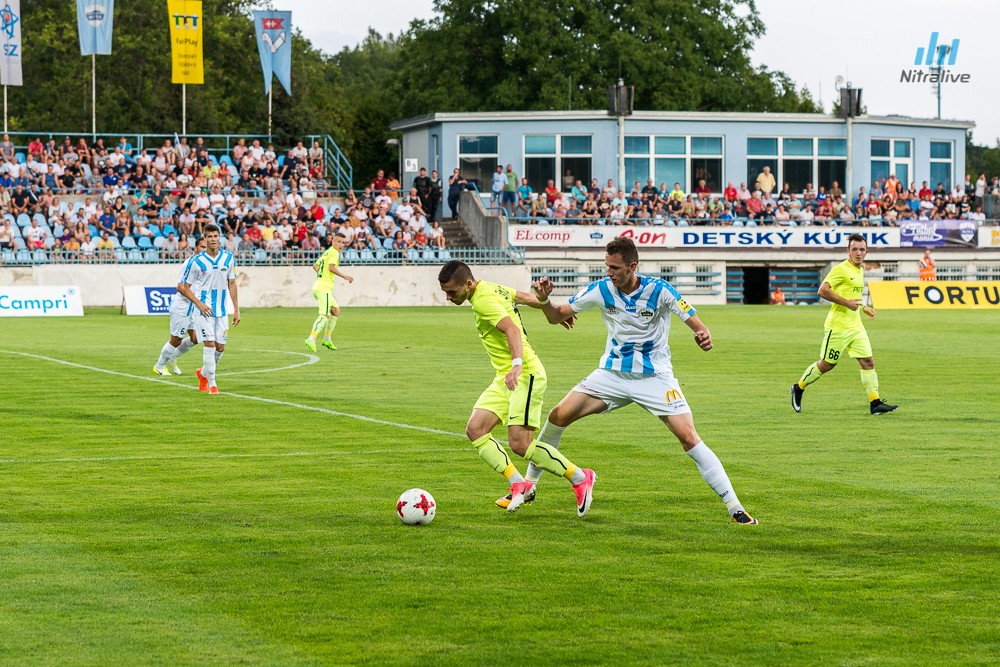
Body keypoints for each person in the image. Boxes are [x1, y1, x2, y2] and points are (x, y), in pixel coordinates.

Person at [526, 236, 758, 525]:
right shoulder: (601, 290)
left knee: (689, 438)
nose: (608, 272)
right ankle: (529, 484)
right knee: (557, 415)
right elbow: (557, 316)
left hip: (655, 378)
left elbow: (696, 322)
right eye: (606, 266)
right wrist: (545, 300)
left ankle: (735, 506)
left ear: (632, 266)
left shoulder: (660, 290)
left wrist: (702, 334)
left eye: (614, 267)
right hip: (612, 374)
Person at [437, 260, 597, 516]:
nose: (448, 298)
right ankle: (519, 485)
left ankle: (580, 477)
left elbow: (511, 329)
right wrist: (551, 308)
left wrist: (517, 365)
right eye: (445, 293)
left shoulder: (483, 301)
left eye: (452, 293)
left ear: (468, 284)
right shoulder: (488, 287)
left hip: (524, 374)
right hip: (506, 376)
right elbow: (523, 297)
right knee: (476, 429)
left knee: (520, 444)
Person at [791, 233, 898, 416]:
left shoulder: (860, 270)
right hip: (838, 326)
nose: (858, 252)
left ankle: (875, 403)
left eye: (862, 249)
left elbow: (852, 297)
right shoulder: (841, 269)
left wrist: (864, 307)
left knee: (867, 361)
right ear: (848, 251)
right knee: (827, 364)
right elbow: (822, 290)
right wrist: (846, 303)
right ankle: (798, 387)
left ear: (866, 252)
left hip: (855, 326)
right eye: (854, 249)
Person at [176, 223, 241, 395]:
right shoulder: (197, 262)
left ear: (219, 238)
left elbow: (232, 284)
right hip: (203, 310)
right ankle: (212, 384)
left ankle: (203, 373)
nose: (213, 239)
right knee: (210, 344)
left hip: (221, 310)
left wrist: (236, 310)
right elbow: (185, 287)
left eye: (215, 236)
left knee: (220, 348)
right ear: (204, 239)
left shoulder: (228, 258)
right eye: (209, 237)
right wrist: (199, 303)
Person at [152, 237, 208, 376]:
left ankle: (172, 358)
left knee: (196, 338)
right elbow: (180, 287)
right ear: (195, 248)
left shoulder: (206, 265)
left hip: (193, 307)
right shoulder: (190, 263)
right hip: (182, 307)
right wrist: (198, 301)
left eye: (207, 248)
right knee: (176, 340)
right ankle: (159, 366)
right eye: (202, 247)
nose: (205, 251)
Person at [305, 233, 353, 352]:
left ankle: (327, 339)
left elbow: (315, 266)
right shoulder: (334, 253)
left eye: (343, 242)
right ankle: (311, 338)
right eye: (339, 242)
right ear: (332, 241)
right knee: (325, 315)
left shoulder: (327, 252)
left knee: (335, 311)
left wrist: (322, 276)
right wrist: (345, 276)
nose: (341, 245)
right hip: (323, 288)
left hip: (320, 286)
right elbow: (331, 267)